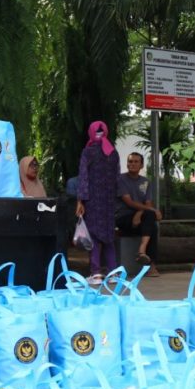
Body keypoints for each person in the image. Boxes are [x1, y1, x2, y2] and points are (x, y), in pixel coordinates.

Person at [76, 121, 121, 286]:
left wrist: (80, 201)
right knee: (109, 237)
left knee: (94, 236)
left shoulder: (88, 152)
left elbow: (83, 178)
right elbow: (117, 179)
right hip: (109, 201)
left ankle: (95, 274)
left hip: (93, 201)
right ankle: (113, 272)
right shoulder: (113, 153)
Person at [115, 151, 161, 276]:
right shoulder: (120, 179)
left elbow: (148, 202)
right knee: (151, 218)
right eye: (130, 161)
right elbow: (128, 202)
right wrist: (149, 210)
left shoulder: (146, 182)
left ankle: (144, 253)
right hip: (123, 217)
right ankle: (150, 265)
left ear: (141, 165)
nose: (132, 164)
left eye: (136, 162)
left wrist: (141, 212)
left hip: (140, 219)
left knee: (152, 225)